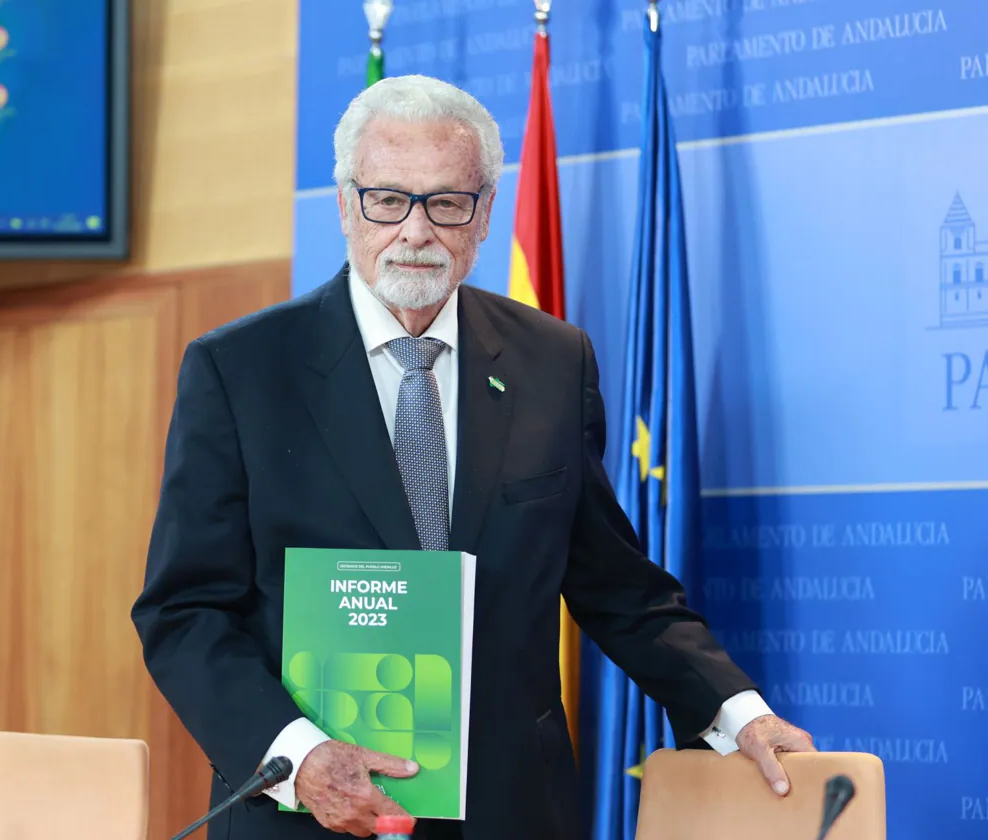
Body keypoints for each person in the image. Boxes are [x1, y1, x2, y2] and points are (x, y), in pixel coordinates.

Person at [132, 74, 815, 840]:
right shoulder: (242, 369)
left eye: (446, 203)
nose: (415, 231)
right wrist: (302, 755)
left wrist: (738, 713)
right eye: (387, 200)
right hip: (311, 814)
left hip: (509, 810)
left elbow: (615, 584)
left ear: (485, 213)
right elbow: (184, 609)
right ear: (344, 206)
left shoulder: (553, 363)